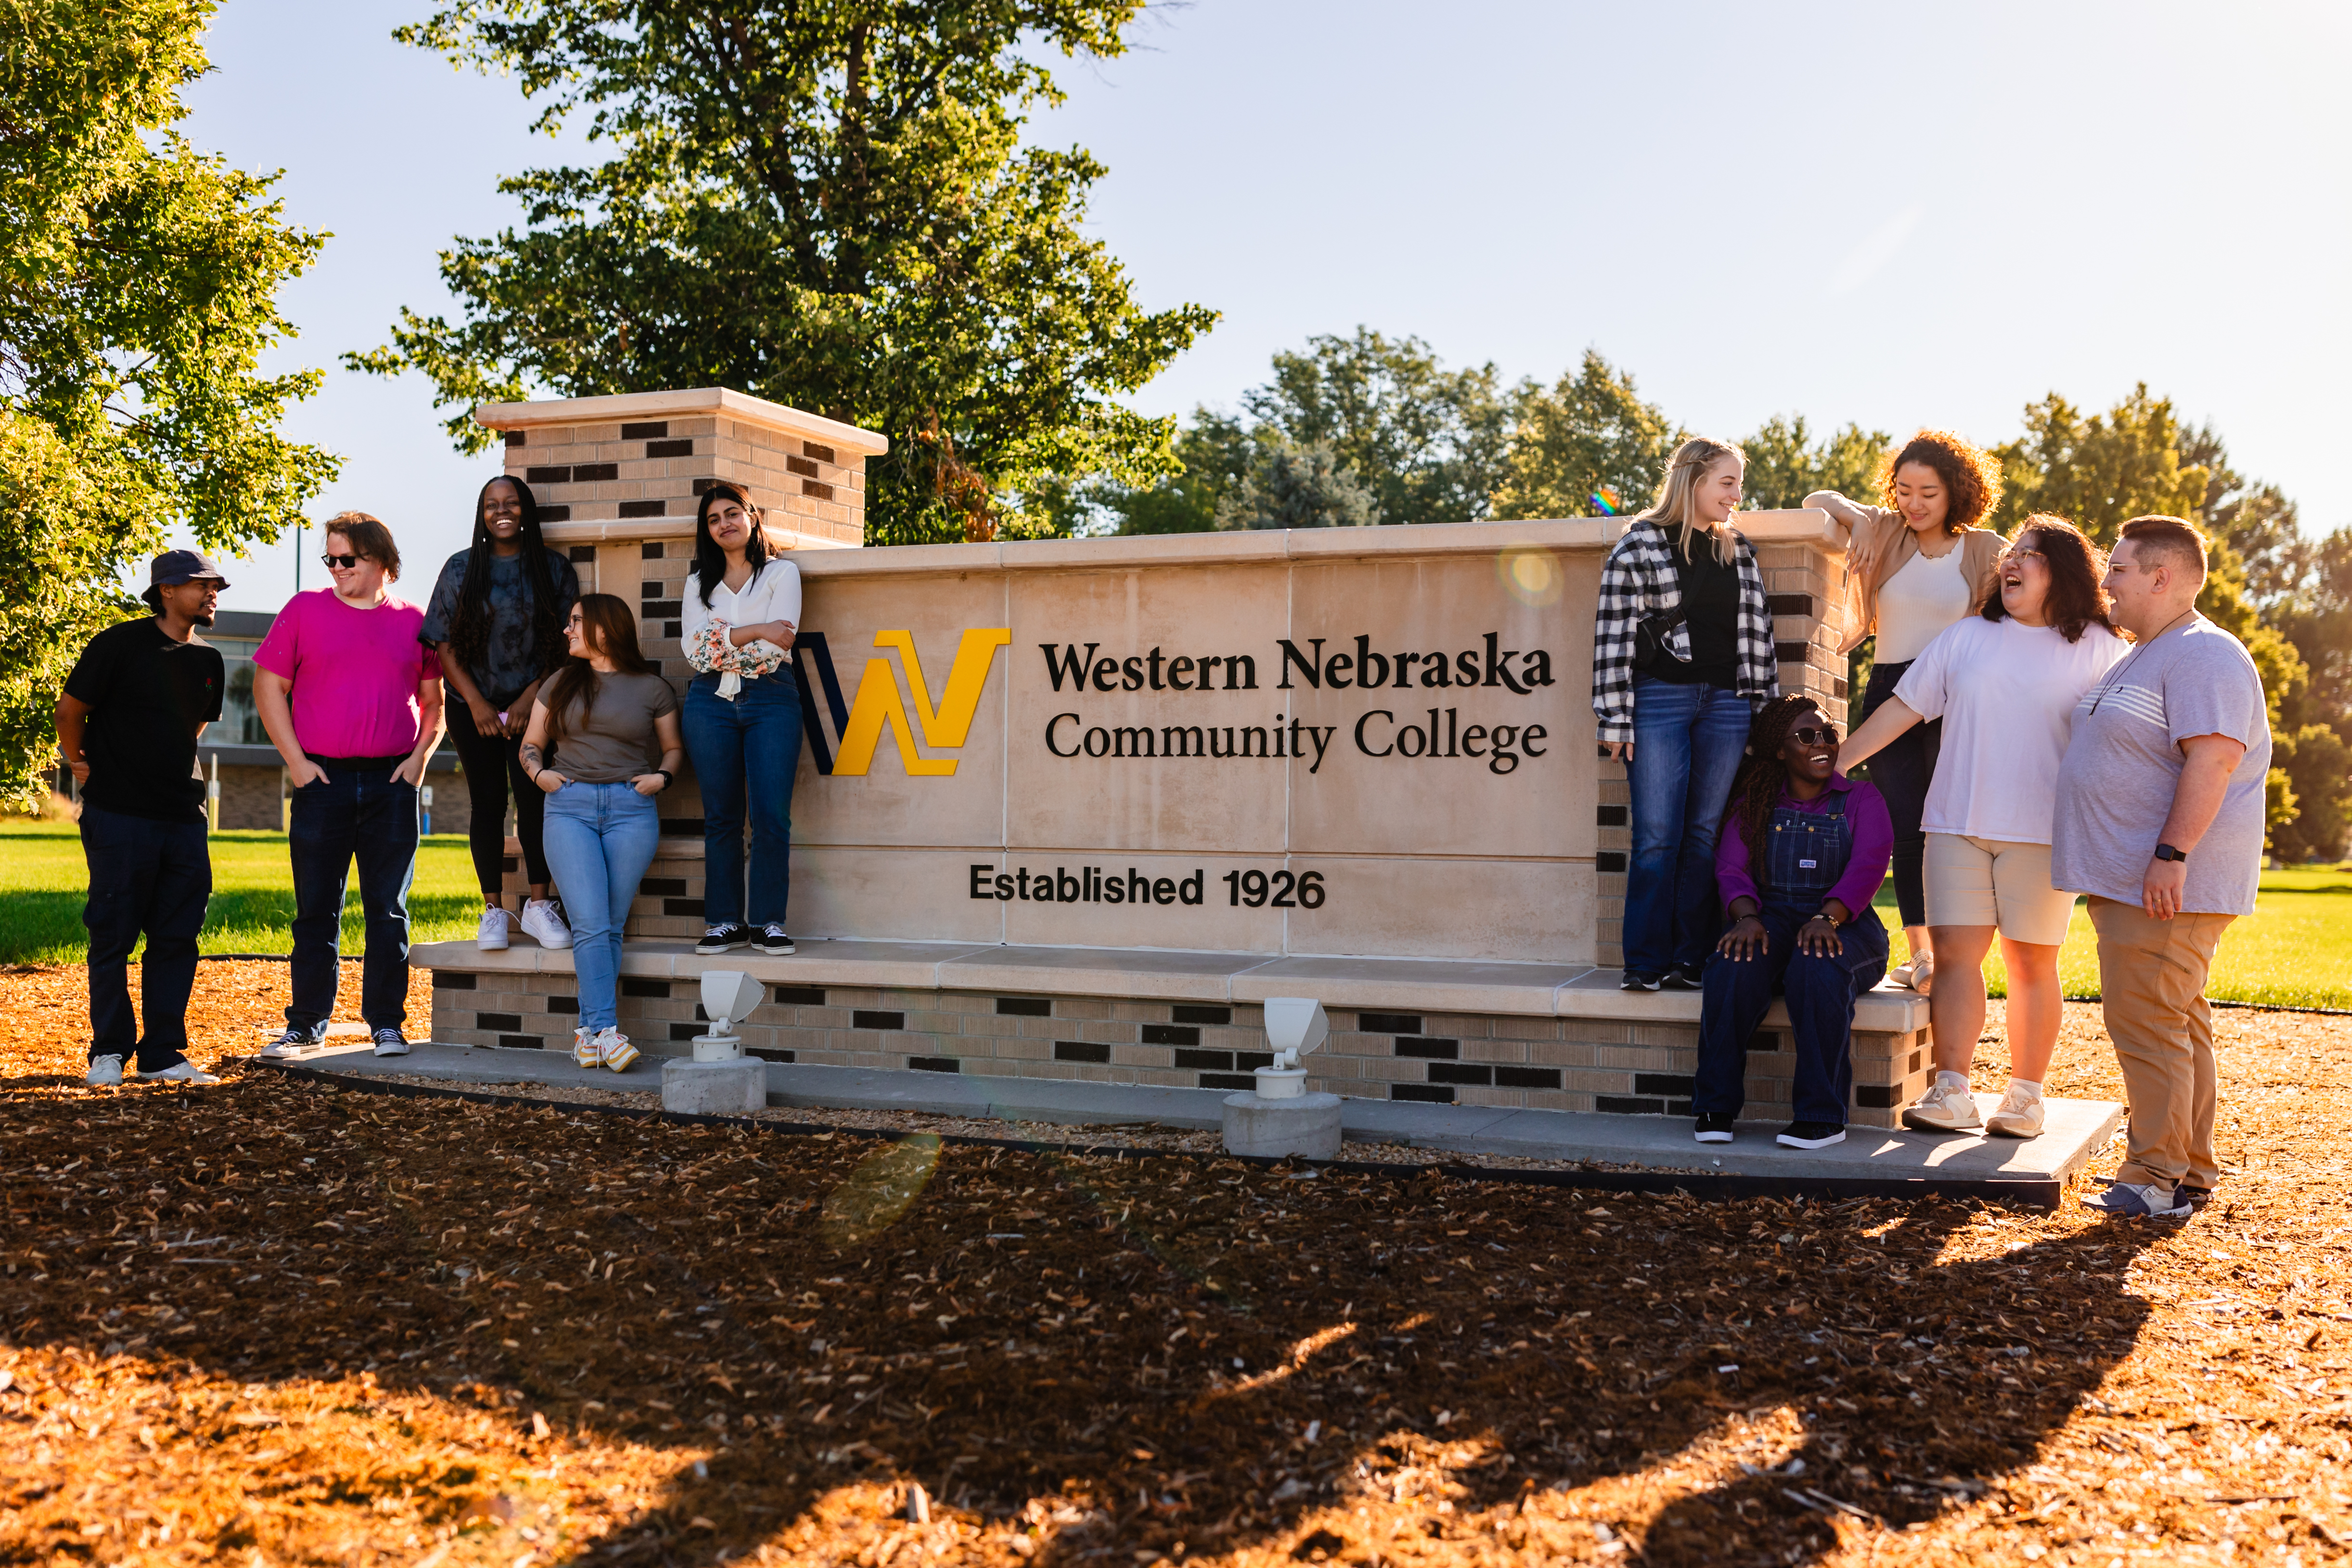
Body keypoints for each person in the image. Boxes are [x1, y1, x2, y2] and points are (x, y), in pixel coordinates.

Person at [1837, 516, 2127, 1137]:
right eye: (2011, 553)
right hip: (1954, 825)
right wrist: (1835, 762)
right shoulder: (1966, 636)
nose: (2011, 562)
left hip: (2041, 834)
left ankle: (2024, 1098)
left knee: (2029, 965)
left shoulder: (2102, 649)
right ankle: (1952, 1091)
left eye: (2031, 554)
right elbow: (1901, 709)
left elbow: (2124, 742)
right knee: (1953, 960)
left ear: (2064, 572)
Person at [2055, 516, 2271, 1219]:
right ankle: (2188, 1172)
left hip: (2164, 883)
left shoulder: (2203, 654)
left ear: (2160, 576)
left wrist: (2169, 856)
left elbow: (2214, 759)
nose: (2105, 582)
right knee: (2175, 1021)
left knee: (2145, 1021)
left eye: (2116, 568)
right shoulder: (2147, 653)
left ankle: (2151, 1177)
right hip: (2134, 882)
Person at [1805, 430, 2007, 996]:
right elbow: (1814, 502)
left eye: (1927, 493)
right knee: (1904, 828)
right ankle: (1920, 956)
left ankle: (1951, 954)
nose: (1912, 504)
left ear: (1956, 494)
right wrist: (1860, 517)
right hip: (1891, 688)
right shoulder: (1887, 530)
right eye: (1902, 491)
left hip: (1955, 695)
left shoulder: (1985, 548)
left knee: (1945, 828)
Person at [252, 513, 445, 1059]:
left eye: (347, 560)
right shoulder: (303, 610)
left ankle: (386, 1023)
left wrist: (418, 761)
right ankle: (307, 1023)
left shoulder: (414, 621)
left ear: (382, 561)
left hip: (391, 782)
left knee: (388, 909)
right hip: (322, 778)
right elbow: (269, 686)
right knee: (316, 909)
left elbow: (435, 705)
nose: (336, 569)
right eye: (329, 559)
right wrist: (296, 761)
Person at [1592, 437, 1780, 992]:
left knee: (1703, 833)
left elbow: (1759, 639)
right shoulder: (1639, 546)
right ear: (1692, 481)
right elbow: (1611, 635)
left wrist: (1763, 717)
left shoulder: (1737, 551)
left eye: (1737, 484)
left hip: (1727, 705)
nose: (1735, 494)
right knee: (1655, 835)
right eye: (1726, 482)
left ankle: (1690, 959)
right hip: (1658, 701)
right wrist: (1615, 718)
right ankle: (1644, 961)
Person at [56, 551, 233, 1087]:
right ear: (166, 590)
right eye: (202, 585)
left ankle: (161, 1052)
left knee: (177, 936)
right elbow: (70, 710)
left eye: (215, 586)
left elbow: (192, 729)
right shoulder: (119, 644)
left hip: (183, 817)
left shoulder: (210, 660)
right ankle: (108, 1051)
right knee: (112, 935)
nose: (213, 594)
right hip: (119, 815)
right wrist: (79, 763)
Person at [1692, 696, 1891, 1148]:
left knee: (1818, 965)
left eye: (1828, 734)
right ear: (1780, 750)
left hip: (1848, 922)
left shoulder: (1861, 798)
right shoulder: (1757, 802)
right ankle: (1715, 1105)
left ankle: (1822, 1116)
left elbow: (1869, 865)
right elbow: (1731, 868)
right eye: (1806, 736)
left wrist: (1829, 915)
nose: (1821, 743)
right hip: (1772, 917)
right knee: (1731, 965)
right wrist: (1745, 917)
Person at [520, 595, 684, 1072]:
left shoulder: (651, 688)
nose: (568, 630)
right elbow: (532, 744)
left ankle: (587, 1034)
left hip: (631, 810)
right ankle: (608, 1032)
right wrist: (538, 775)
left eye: (576, 622)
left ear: (606, 630)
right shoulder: (560, 683)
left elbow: (673, 748)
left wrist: (662, 778)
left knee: (608, 924)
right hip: (569, 807)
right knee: (591, 923)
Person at [419, 475, 580, 952]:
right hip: (476, 708)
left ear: (525, 510)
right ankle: (493, 910)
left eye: (511, 502)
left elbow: (569, 641)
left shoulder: (552, 569)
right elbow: (443, 644)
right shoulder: (460, 568)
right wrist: (479, 703)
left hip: (537, 703)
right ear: (481, 513)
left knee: (534, 801)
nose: (501, 510)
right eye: (492, 504)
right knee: (487, 804)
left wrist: (534, 695)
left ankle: (538, 905)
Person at [679, 481, 803, 957]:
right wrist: (754, 629)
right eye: (713, 519)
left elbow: (781, 645)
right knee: (721, 817)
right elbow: (694, 652)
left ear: (752, 517)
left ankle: (769, 921)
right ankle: (724, 922)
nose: (723, 523)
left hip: (771, 696)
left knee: (771, 815)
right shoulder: (697, 585)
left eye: (732, 513)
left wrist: (723, 640)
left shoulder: (781, 574)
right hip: (708, 702)